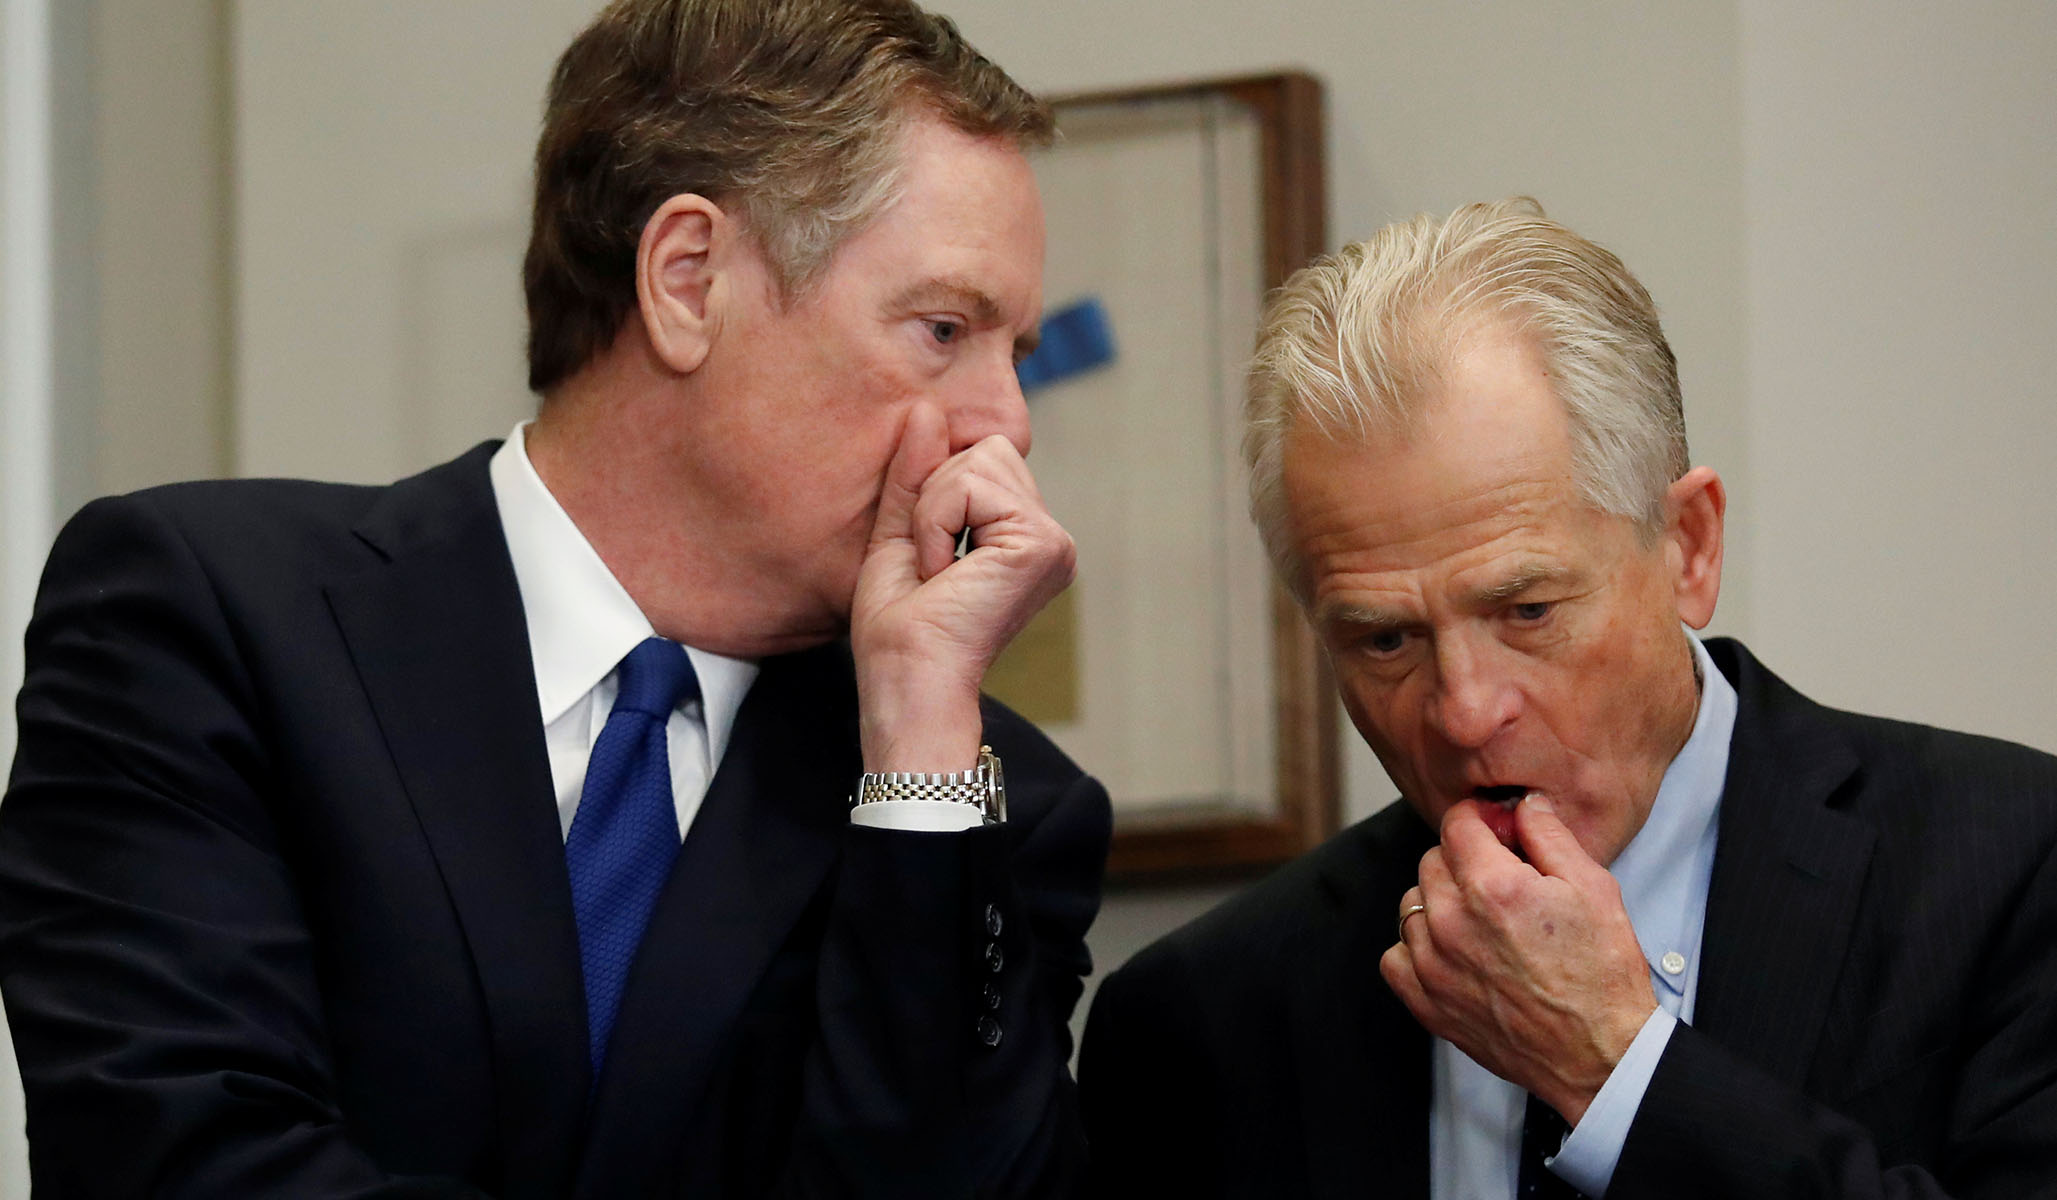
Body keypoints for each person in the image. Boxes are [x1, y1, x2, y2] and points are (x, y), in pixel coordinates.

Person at [0, 1, 1111, 1195]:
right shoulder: (213, 618)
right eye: (943, 329)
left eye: (1014, 354)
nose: (1004, 424)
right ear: (687, 281)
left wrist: (918, 750)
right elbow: (179, 1161)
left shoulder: (985, 802)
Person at [1079, 198, 2057, 1198]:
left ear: (1687, 548)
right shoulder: (1197, 1021)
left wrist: (1614, 1075)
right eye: (1385, 640)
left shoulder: (2010, 869)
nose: (1464, 713)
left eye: (1527, 611)